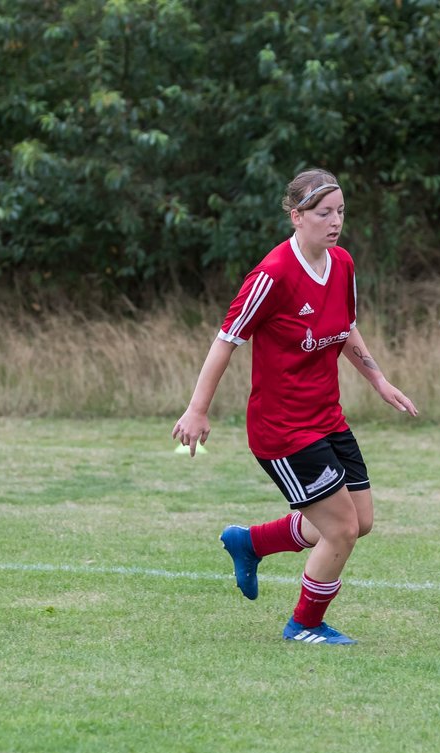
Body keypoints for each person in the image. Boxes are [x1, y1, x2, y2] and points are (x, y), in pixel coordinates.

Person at [172, 168, 418, 645]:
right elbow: (225, 341)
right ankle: (304, 624)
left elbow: (344, 327)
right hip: (282, 430)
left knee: (360, 521)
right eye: (324, 213)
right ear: (296, 215)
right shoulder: (272, 275)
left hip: (328, 418)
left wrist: (378, 379)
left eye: (341, 211)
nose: (335, 221)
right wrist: (197, 409)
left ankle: (250, 542)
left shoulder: (342, 263)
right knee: (341, 529)